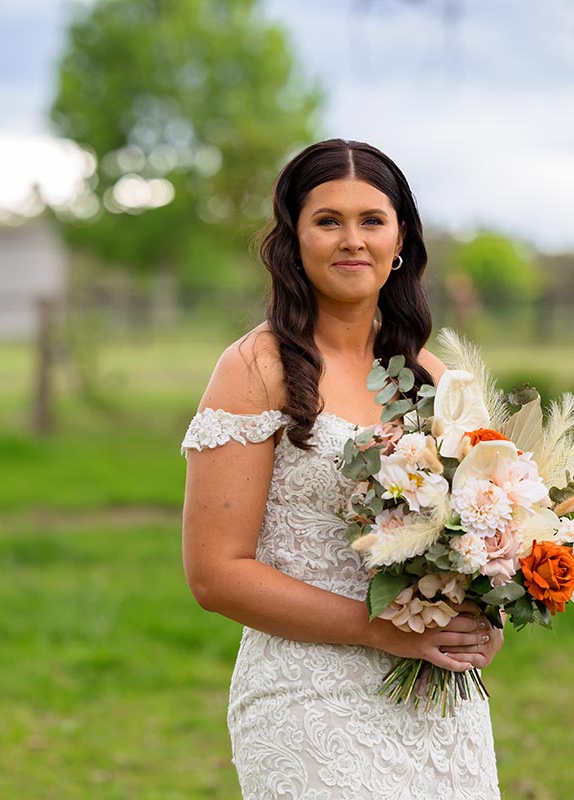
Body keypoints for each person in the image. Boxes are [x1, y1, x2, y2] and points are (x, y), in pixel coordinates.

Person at [180, 139, 503, 798]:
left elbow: (482, 528)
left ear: (400, 239)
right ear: (293, 240)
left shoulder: (435, 379)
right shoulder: (254, 369)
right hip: (308, 700)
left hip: (438, 708)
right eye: (328, 221)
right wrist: (383, 630)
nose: (351, 240)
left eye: (371, 220)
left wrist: (483, 623)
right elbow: (216, 575)